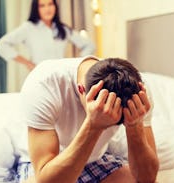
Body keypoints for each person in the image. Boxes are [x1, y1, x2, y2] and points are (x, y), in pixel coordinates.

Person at [18, 56, 159, 183]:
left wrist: (134, 124)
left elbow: (147, 178)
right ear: (81, 90)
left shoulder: (138, 94)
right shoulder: (44, 83)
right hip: (44, 165)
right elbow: (46, 180)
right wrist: (93, 125)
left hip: (94, 161)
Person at [0, 0, 95, 71]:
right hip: (39, 76)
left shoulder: (62, 29)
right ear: (36, 9)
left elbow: (89, 45)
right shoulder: (29, 28)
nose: (47, 9)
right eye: (42, 5)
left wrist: (76, 64)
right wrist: (27, 63)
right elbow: (1, 45)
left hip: (60, 76)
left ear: (55, 6)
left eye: (50, 4)